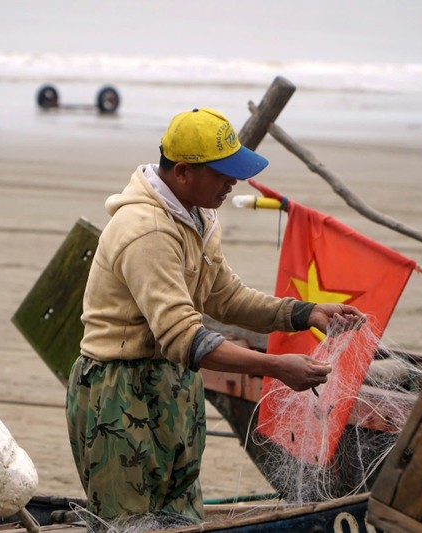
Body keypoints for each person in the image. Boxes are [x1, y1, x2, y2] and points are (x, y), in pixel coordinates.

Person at [65, 107, 364, 529]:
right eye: (223, 173)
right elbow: (185, 338)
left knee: (181, 519)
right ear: (183, 172)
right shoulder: (146, 230)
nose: (233, 183)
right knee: (130, 524)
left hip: (177, 386)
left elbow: (225, 296)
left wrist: (304, 312)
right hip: (120, 391)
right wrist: (276, 368)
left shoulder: (200, 215)